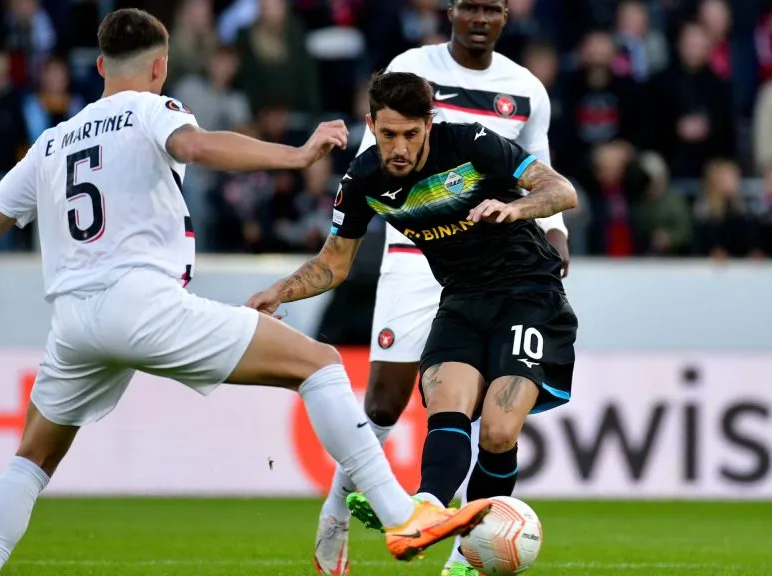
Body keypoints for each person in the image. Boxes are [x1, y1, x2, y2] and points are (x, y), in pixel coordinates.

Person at [0, 9, 492, 576]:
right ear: (159, 67)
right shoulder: (150, 108)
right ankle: (401, 516)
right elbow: (196, 146)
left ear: (98, 67)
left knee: (30, 460)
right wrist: (297, 154)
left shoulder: (50, 143)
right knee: (321, 366)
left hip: (72, 322)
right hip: (142, 303)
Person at [246, 71, 578, 576]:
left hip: (528, 293)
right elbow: (333, 264)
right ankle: (422, 509)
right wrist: (276, 292)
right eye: (387, 134)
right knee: (445, 401)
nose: (398, 148)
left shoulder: (471, 144)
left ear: (429, 123)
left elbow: (562, 190)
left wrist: (514, 208)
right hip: (462, 298)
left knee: (497, 428)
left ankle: (468, 560)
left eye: (411, 134)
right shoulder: (363, 180)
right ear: (371, 125)